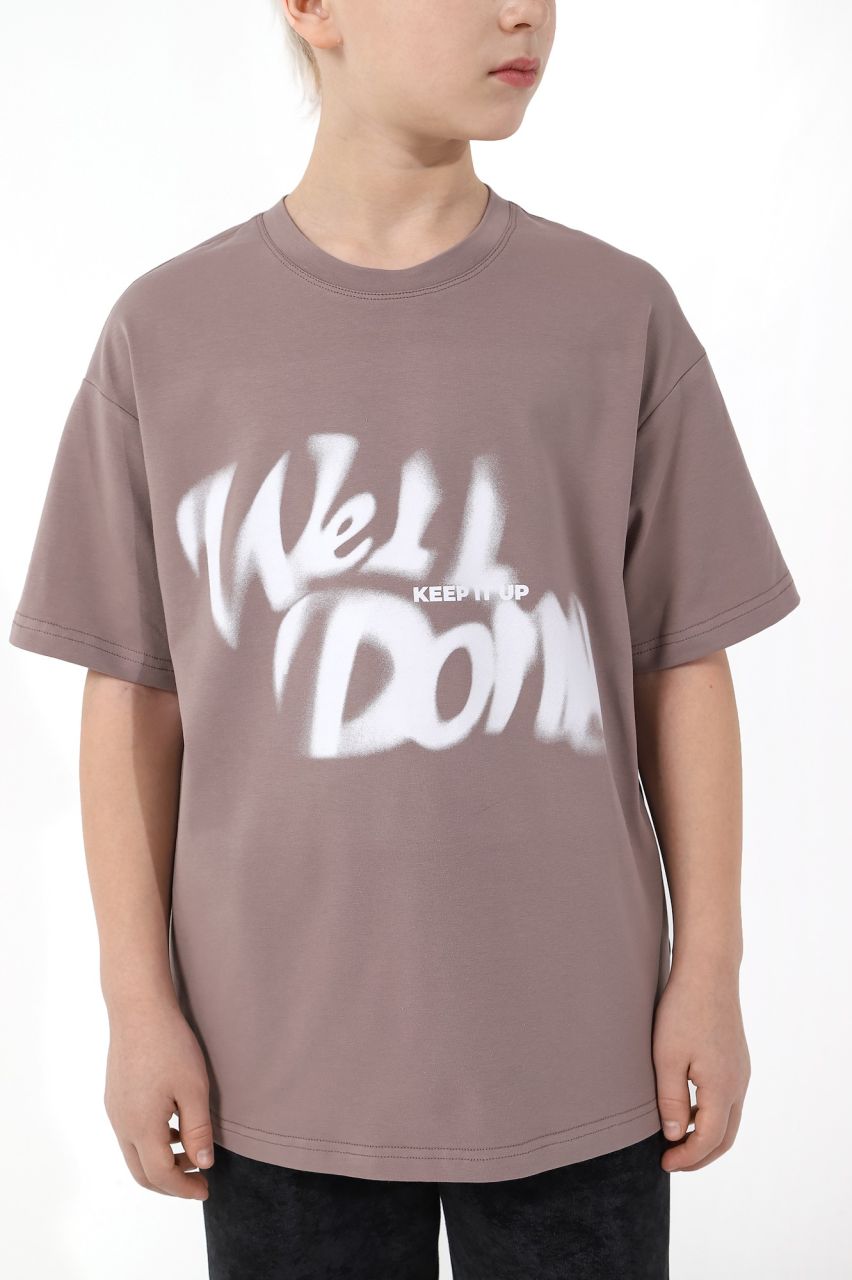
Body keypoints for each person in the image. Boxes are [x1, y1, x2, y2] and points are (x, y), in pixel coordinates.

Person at [8, 2, 801, 1277]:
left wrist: (710, 967)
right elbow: (135, 698)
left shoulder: (617, 314)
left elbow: (683, 663)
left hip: (578, 1052)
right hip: (272, 1065)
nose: (523, 11)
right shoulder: (169, 332)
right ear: (313, 8)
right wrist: (136, 1003)